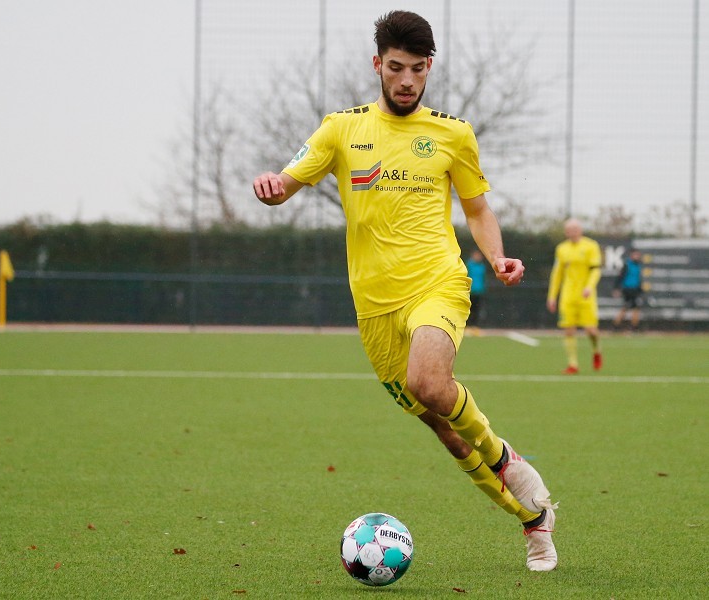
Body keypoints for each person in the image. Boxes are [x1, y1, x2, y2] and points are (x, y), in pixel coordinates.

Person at [252, 11, 557, 572]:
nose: (407, 79)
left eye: (418, 69)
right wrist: (271, 188)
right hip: (374, 307)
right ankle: (532, 521)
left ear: (429, 68)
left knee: (429, 382)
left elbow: (477, 209)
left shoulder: (453, 133)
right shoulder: (340, 129)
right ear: (378, 64)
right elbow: (286, 184)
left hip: (438, 282)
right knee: (445, 430)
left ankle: (507, 460)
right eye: (396, 67)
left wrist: (496, 257)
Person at [546, 218, 603, 374]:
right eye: (569, 230)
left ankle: (596, 350)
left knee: (591, 331)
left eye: (575, 229)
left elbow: (596, 270)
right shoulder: (562, 249)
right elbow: (557, 274)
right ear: (566, 232)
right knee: (568, 330)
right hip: (568, 295)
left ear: (581, 230)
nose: (572, 232)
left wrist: (589, 287)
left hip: (586, 296)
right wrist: (552, 296)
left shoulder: (591, 246)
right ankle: (573, 364)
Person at [613, 249, 645, 331]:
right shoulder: (627, 265)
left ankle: (634, 327)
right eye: (635, 255)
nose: (637, 257)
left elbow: (638, 279)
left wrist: (640, 289)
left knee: (635, 308)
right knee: (626, 308)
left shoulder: (638, 265)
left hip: (635, 290)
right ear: (631, 255)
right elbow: (620, 277)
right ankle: (616, 325)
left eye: (638, 255)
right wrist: (616, 288)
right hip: (628, 289)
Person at [465, 249, 488, 329]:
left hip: (479, 291)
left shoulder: (482, 266)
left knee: (477, 309)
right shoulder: (469, 265)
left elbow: (483, 279)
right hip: (470, 291)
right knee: (468, 309)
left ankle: (474, 326)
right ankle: (467, 326)